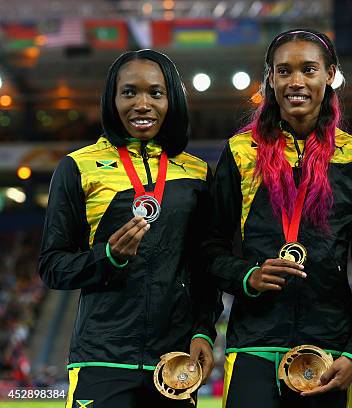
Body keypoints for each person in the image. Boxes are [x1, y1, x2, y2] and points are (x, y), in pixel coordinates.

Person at [206, 29, 352, 408]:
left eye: (309, 69)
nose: (296, 82)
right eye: (284, 71)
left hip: (329, 348)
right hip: (254, 343)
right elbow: (209, 247)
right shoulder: (240, 152)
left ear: (330, 74)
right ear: (270, 79)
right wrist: (245, 276)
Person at [39, 49, 221, 407]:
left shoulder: (198, 173)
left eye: (155, 93)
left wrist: (203, 330)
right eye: (129, 93)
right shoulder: (77, 167)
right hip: (101, 358)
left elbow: (205, 267)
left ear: (173, 100)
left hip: (173, 362)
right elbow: (52, 266)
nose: (142, 104)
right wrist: (108, 258)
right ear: (112, 98)